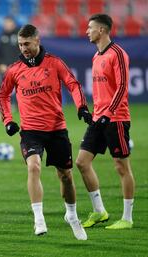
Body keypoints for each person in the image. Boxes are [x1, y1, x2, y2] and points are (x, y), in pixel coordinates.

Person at [0, 24, 91, 240]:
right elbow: (2, 95)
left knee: (65, 176)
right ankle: (38, 218)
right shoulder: (14, 70)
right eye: (20, 45)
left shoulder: (54, 63)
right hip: (30, 131)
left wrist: (82, 107)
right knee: (34, 166)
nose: (24, 48)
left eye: (27, 44)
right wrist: (8, 120)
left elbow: (73, 84)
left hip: (56, 129)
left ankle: (72, 216)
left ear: (37, 40)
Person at [76, 14, 135, 230]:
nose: (86, 31)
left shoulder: (118, 54)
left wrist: (108, 114)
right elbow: (104, 90)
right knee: (82, 162)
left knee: (121, 166)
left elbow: (122, 88)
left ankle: (127, 218)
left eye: (89, 27)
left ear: (101, 30)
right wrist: (93, 113)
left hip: (116, 118)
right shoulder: (96, 56)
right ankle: (100, 211)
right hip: (99, 118)